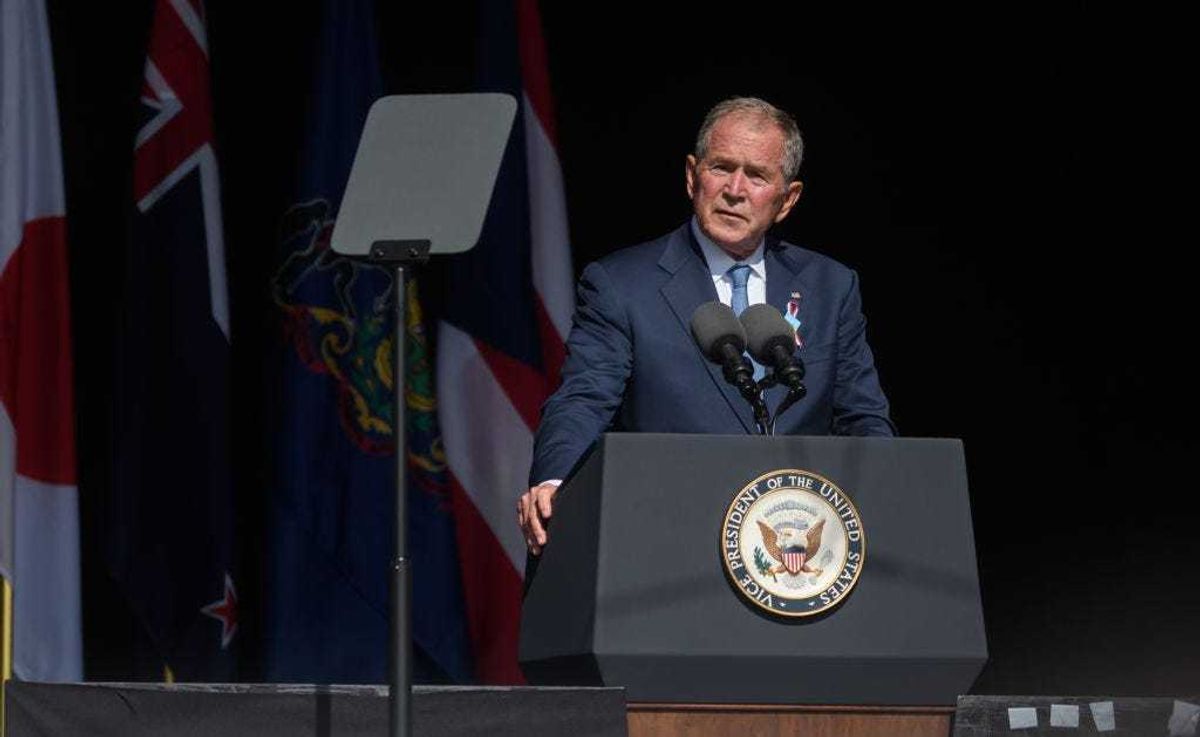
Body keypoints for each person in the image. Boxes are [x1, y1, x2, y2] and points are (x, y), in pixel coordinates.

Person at [517, 97, 894, 555]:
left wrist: (885, 497)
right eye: (721, 168)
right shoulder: (621, 285)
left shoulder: (831, 287)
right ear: (692, 175)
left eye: (756, 176)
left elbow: (863, 418)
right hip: (669, 536)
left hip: (799, 548)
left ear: (787, 199)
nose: (735, 189)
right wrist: (558, 480)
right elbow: (584, 398)